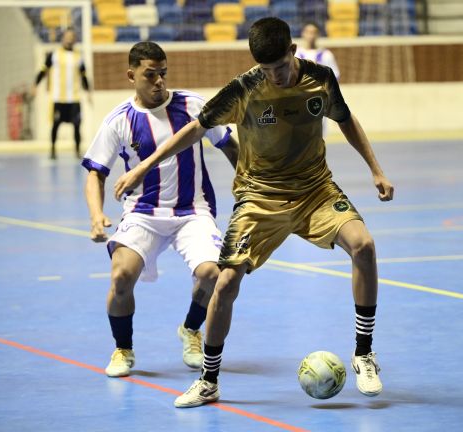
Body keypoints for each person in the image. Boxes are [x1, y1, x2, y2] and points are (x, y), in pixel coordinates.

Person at [113, 18, 394, 407]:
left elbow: (346, 120)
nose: (273, 76)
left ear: (293, 52)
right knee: (225, 283)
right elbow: (195, 129)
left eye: (278, 67)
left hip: (315, 189)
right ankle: (209, 380)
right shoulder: (245, 88)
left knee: (363, 246)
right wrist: (144, 166)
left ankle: (364, 354)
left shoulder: (320, 79)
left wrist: (375, 169)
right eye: (265, 69)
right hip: (259, 197)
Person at [82, 41, 239, 378]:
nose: (159, 82)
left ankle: (190, 330)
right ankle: (123, 348)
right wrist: (96, 216)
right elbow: (95, 173)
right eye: (150, 75)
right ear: (131, 75)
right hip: (143, 213)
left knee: (213, 275)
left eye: (163, 74)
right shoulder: (119, 121)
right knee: (121, 275)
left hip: (192, 210)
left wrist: (246, 179)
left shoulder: (193, 105)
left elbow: (228, 143)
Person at [32, 28, 91, 159]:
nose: (70, 38)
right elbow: (43, 70)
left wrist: (88, 92)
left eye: (72, 36)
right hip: (58, 98)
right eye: (67, 36)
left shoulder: (78, 56)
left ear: (74, 39)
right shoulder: (54, 55)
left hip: (74, 98)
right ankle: (52, 150)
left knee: (77, 125)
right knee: (55, 125)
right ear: (63, 38)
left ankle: (77, 151)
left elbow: (84, 75)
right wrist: (35, 85)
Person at [295, 22, 339, 138]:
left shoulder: (326, 55)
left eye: (314, 33)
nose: (311, 36)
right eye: (308, 32)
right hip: (299, 101)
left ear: (318, 34)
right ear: (303, 34)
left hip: (320, 101)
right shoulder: (296, 55)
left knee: (320, 136)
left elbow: (334, 79)